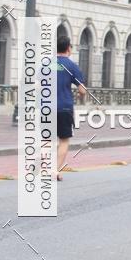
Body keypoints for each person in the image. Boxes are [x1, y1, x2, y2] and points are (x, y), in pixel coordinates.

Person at [56, 35, 87, 180]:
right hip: (64, 108)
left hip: (45, 108)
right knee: (63, 140)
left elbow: (36, 86)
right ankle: (55, 171)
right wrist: (81, 99)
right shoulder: (72, 66)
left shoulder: (45, 64)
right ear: (69, 48)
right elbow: (81, 90)